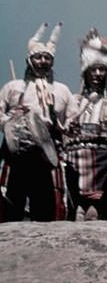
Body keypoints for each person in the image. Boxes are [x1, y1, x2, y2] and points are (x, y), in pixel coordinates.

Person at [0, 23, 73, 222]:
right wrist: (10, 119)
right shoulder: (14, 87)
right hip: (17, 150)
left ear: (52, 62)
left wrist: (62, 127)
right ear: (29, 60)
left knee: (45, 203)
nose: (42, 61)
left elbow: (71, 121)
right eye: (38, 57)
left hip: (46, 152)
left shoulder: (62, 91)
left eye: (47, 57)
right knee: (12, 199)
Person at [64, 29, 107, 221]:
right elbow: (66, 128)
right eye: (93, 70)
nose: (97, 74)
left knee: (99, 206)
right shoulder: (75, 100)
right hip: (76, 154)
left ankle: (97, 209)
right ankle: (79, 206)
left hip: (104, 155)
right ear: (86, 72)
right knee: (77, 202)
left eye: (102, 69)